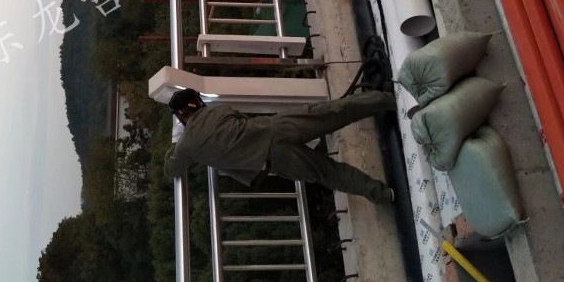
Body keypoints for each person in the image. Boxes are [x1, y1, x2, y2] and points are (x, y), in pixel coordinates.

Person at [163, 88, 396, 204]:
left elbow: (172, 169)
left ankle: (382, 194)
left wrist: (176, 146)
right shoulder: (217, 110)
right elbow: (240, 118)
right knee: (333, 112)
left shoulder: (186, 146)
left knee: (329, 173)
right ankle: (385, 99)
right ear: (198, 102)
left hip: (275, 160)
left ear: (180, 117)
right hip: (277, 127)